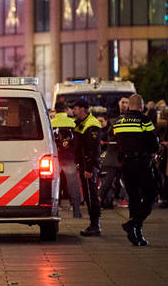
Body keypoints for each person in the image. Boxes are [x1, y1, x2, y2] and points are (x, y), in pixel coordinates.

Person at [113, 94, 159, 246]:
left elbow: (116, 141)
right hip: (142, 164)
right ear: (141, 106)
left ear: (129, 105)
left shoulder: (118, 122)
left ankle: (136, 235)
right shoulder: (145, 121)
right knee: (151, 195)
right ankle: (134, 224)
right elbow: (154, 145)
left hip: (126, 165)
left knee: (133, 198)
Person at [72, 99, 102, 236]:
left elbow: (94, 150)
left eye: (75, 108)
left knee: (91, 196)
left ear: (82, 109)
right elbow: (80, 143)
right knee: (88, 195)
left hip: (89, 166)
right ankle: (93, 224)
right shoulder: (81, 123)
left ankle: (95, 225)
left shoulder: (92, 125)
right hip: (84, 164)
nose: (73, 111)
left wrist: (89, 169)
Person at [51, 102, 81, 218]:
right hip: (69, 157)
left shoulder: (50, 123)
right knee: (73, 184)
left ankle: (53, 210)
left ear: (56, 110)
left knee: (53, 183)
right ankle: (76, 211)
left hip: (55, 157)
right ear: (66, 110)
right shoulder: (73, 123)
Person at [99, 113, 123, 209]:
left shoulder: (111, 128)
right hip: (115, 159)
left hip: (111, 159)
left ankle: (102, 199)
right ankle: (103, 200)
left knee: (108, 181)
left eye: (101, 121)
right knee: (109, 181)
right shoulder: (115, 129)